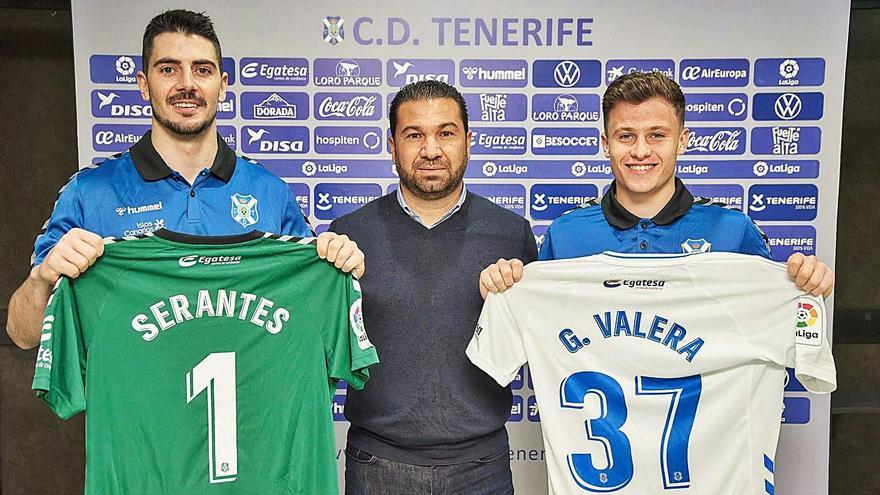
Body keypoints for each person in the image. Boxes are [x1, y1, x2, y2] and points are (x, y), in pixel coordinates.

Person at [6, 9, 364, 350]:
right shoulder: (88, 192)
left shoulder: (270, 191)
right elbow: (22, 335)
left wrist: (338, 266)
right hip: (134, 411)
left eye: (202, 70)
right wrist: (43, 279)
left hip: (253, 410)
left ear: (222, 86)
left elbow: (313, 317)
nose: (187, 84)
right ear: (144, 85)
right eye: (168, 69)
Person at [329, 80, 537, 494]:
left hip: (483, 467)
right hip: (377, 467)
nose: (430, 150)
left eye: (446, 133)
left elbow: (543, 347)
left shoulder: (512, 236)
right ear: (392, 145)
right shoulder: (348, 237)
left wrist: (510, 303)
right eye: (414, 135)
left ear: (468, 141)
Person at [480, 71, 834, 298]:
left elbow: (778, 322)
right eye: (625, 136)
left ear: (682, 141)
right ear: (606, 144)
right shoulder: (566, 234)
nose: (640, 151)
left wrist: (807, 287)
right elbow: (535, 331)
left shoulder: (734, 231)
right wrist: (504, 291)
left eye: (657, 135)